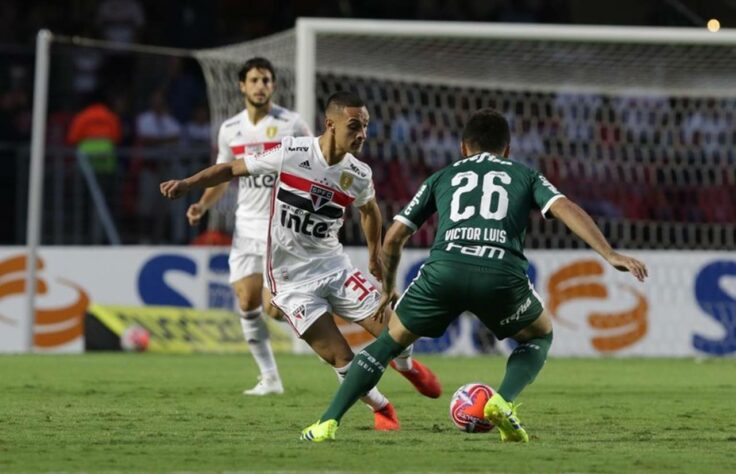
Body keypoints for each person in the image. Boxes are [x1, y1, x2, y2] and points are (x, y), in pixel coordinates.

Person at [300, 108, 648, 443]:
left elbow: (393, 238)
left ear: (463, 148)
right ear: (507, 149)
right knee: (538, 337)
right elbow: (565, 208)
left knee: (388, 343)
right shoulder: (524, 174)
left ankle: (326, 423)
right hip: (500, 274)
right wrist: (609, 253)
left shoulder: (444, 176)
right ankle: (503, 401)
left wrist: (388, 287)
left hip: (444, 273)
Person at [160, 91, 442, 431]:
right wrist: (187, 184)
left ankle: (408, 366)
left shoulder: (358, 173)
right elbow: (231, 168)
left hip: (335, 268)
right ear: (330, 124)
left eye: (365, 127)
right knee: (340, 357)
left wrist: (372, 255)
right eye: (354, 126)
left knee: (397, 330)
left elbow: (369, 211)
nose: (362, 134)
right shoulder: (292, 152)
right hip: (291, 280)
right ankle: (382, 407)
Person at [186, 57, 311, 396]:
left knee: (273, 309)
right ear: (242, 86)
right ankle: (270, 378)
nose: (260, 86)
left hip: (281, 229)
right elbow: (223, 176)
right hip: (245, 229)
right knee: (246, 303)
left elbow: (314, 164)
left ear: (273, 85)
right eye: (254, 80)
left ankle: (320, 315)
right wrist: (202, 204)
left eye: (266, 80)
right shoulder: (230, 129)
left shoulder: (292, 124)